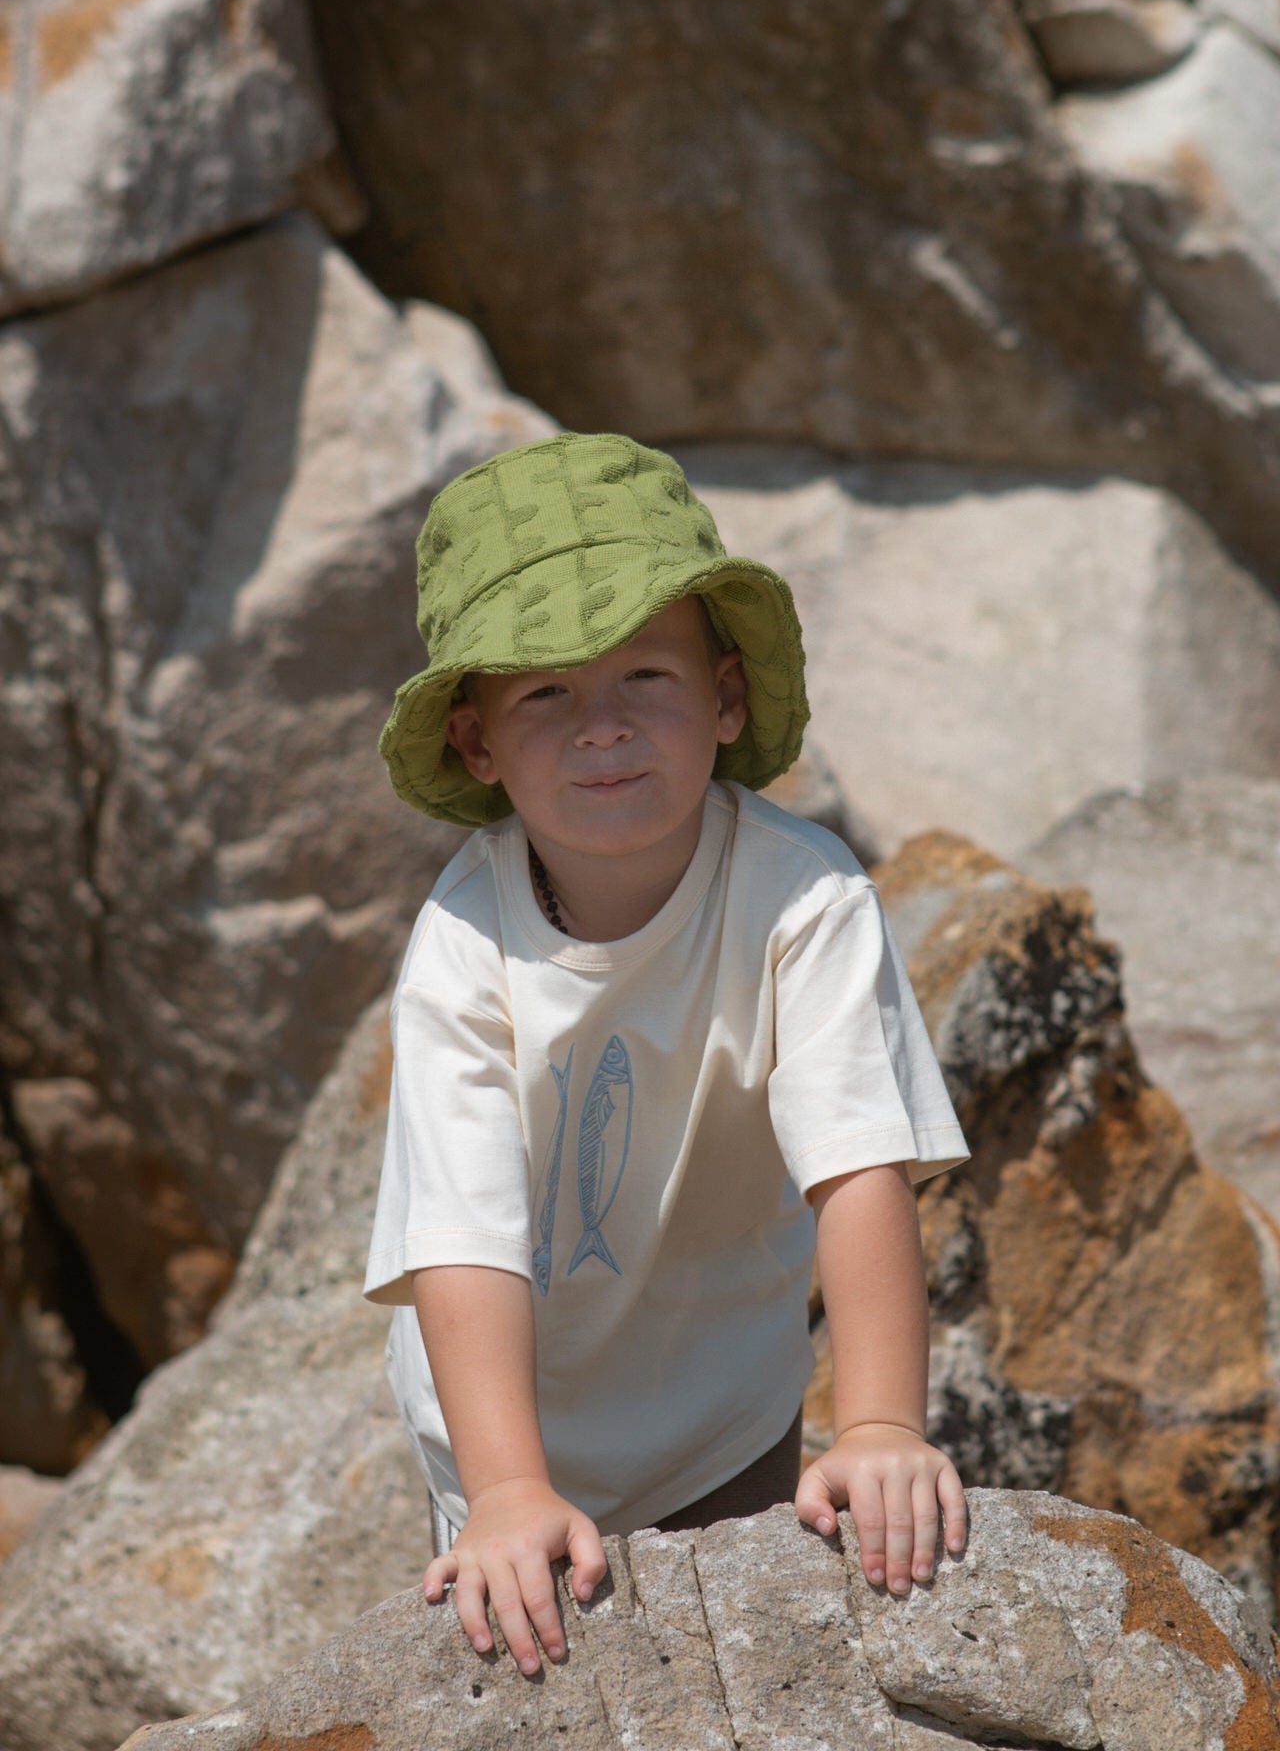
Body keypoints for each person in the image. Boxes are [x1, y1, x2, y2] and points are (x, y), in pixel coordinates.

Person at [366, 430, 970, 1678]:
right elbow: (458, 1240)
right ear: (477, 742)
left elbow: (861, 1169)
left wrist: (874, 1424)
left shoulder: (804, 902)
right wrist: (505, 1491)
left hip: (725, 1413)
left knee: (756, 1680)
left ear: (726, 697)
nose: (603, 729)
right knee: (539, 1669)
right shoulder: (461, 947)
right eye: (543, 693)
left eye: (645, 673)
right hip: (505, 1427)